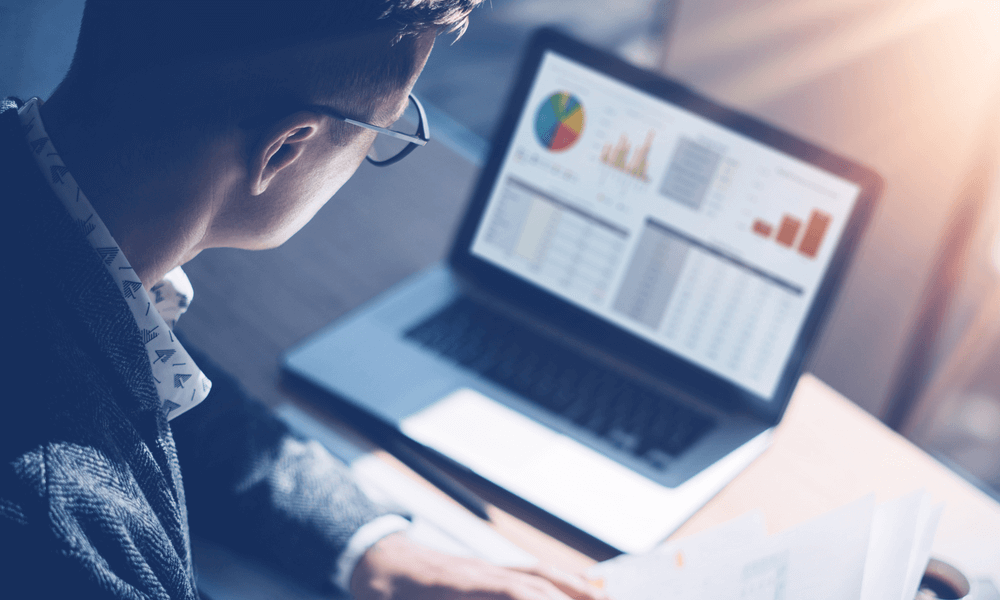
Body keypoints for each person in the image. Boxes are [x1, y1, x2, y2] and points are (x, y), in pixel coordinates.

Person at [0, 1, 610, 599]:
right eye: (385, 128)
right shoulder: (62, 522)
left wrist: (370, 545)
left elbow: (129, 388)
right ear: (285, 149)